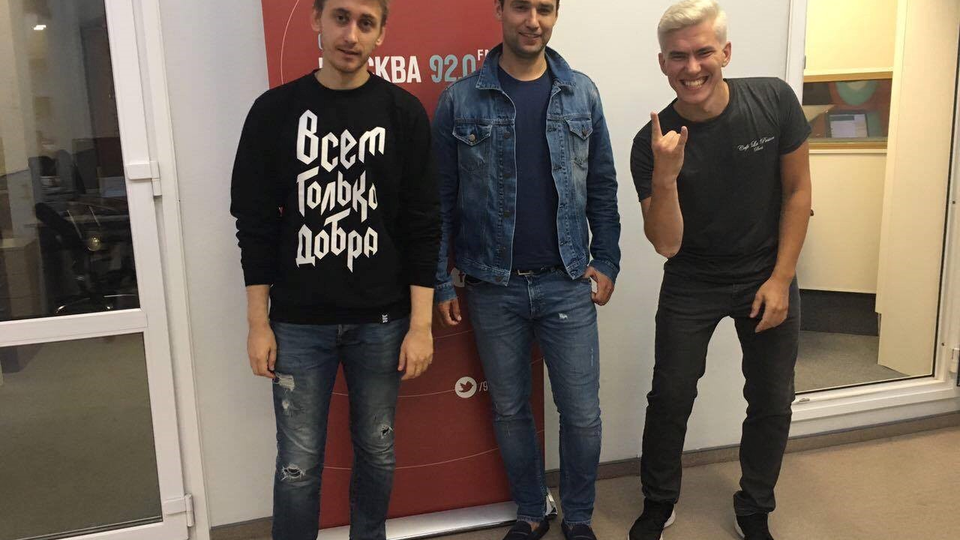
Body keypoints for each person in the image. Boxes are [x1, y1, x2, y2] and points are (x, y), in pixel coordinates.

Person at [230, 1, 440, 538]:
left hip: (383, 322)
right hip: (298, 323)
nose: (351, 34)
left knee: (378, 451)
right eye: (340, 17)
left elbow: (423, 226)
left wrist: (421, 326)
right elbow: (254, 224)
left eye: (366, 23)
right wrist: (258, 323)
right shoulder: (274, 111)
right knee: (298, 465)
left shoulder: (403, 113)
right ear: (316, 21)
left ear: (381, 34)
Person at [432, 1, 621, 539]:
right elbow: (440, 200)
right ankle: (532, 510)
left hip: (567, 281)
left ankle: (578, 516)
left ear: (556, 14)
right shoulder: (460, 100)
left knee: (581, 414)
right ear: (499, 10)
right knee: (511, 410)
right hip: (493, 285)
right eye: (521, 6)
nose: (532, 20)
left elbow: (602, 185)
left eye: (544, 8)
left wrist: (606, 258)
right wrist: (441, 278)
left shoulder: (581, 92)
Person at [628, 1, 812, 539]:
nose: (692, 68)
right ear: (662, 63)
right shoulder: (651, 142)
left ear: (725, 53)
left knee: (772, 396)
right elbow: (667, 244)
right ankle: (659, 501)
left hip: (766, 269)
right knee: (670, 396)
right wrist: (665, 176)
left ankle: (754, 505)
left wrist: (781, 279)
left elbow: (798, 193)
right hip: (693, 278)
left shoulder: (773, 100)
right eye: (678, 57)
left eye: (703, 52)